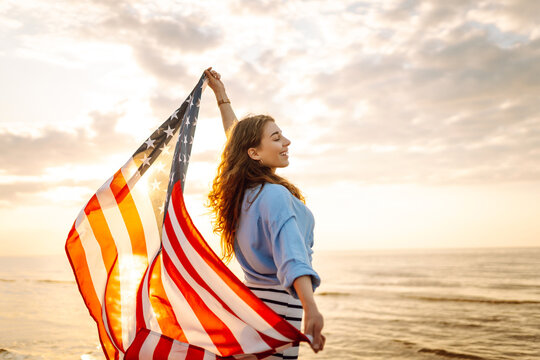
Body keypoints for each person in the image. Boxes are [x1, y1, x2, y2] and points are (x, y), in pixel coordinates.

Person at [204, 67, 325, 359]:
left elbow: (237, 141)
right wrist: (311, 307)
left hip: (254, 309)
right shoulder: (274, 195)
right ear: (255, 153)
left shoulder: (244, 192)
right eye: (276, 137)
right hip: (279, 312)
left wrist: (222, 97)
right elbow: (291, 255)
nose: (287, 142)